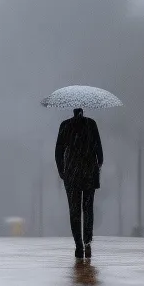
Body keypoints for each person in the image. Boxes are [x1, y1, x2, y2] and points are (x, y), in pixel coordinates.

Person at [55, 108, 103, 259]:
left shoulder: (65, 126)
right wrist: (96, 166)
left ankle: (78, 245)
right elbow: (99, 151)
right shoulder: (91, 124)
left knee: (74, 211)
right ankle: (87, 241)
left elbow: (58, 151)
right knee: (88, 209)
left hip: (71, 174)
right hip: (89, 173)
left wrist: (62, 171)